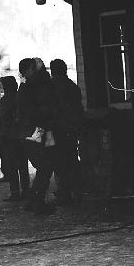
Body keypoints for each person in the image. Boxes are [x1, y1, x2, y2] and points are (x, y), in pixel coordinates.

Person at [18, 58, 59, 215]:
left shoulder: (27, 86)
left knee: (46, 164)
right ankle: (37, 200)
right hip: (40, 130)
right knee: (46, 165)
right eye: (35, 68)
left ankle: (35, 199)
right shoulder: (34, 86)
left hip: (39, 130)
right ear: (29, 70)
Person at [50, 58, 84, 205]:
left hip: (55, 130)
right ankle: (76, 191)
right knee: (72, 160)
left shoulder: (51, 87)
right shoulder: (73, 87)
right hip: (71, 130)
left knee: (57, 162)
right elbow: (78, 110)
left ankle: (64, 194)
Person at [0, 76, 29, 201]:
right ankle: (26, 190)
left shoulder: (6, 100)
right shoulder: (20, 97)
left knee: (11, 166)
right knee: (23, 165)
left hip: (10, 136)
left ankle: (15, 192)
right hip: (22, 135)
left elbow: (4, 118)